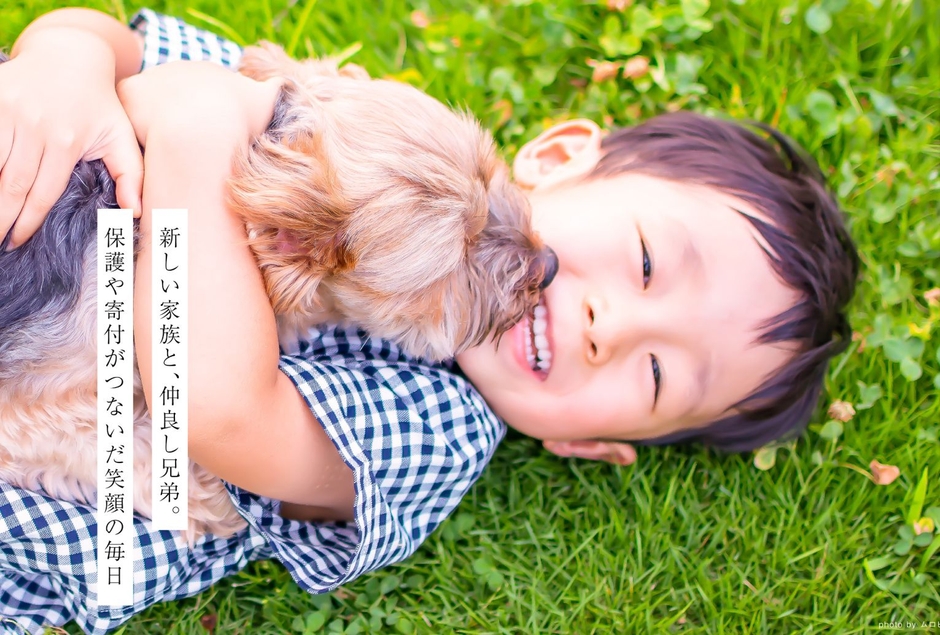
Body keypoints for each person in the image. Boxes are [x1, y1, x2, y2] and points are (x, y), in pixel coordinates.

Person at [0, 8, 858, 634]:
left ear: (590, 443)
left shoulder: (439, 429)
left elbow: (217, 411)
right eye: (643, 262)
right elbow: (124, 44)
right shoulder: (366, 133)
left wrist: (193, 127)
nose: (609, 324)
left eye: (657, 372)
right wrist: (66, 62)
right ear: (556, 156)